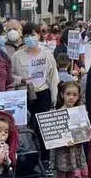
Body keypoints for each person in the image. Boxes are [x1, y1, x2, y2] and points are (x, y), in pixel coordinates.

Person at [12, 23, 59, 158]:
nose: (30, 38)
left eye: (33, 34)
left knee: (43, 128)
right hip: (24, 95)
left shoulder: (47, 55)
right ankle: (28, 156)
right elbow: (10, 76)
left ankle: (45, 158)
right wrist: (21, 79)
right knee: (25, 128)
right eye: (26, 35)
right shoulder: (17, 56)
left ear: (39, 35)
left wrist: (54, 99)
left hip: (43, 94)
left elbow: (53, 77)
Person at [53, 81, 88, 178]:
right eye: (68, 94)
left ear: (78, 96)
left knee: (72, 177)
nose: (71, 97)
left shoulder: (80, 112)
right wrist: (63, 140)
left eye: (74, 94)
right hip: (62, 151)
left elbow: (84, 133)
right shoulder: (57, 113)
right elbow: (53, 134)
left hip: (75, 150)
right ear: (62, 95)